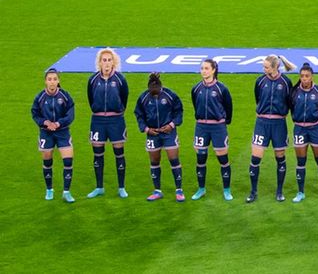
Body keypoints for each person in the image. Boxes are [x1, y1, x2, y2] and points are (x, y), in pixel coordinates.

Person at [247, 54, 295, 203]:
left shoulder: (286, 82)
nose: (263, 69)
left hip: (279, 124)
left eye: (266, 67)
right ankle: (253, 192)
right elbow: (258, 99)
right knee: (255, 158)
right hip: (261, 124)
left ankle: (279, 192)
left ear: (275, 67)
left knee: (280, 157)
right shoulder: (260, 81)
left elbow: (290, 102)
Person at [134, 72, 185, 202]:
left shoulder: (170, 95)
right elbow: (139, 115)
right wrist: (146, 129)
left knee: (174, 159)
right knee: (154, 161)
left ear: (160, 87)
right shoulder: (143, 98)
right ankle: (157, 191)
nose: (154, 94)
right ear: (149, 88)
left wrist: (172, 125)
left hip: (169, 133)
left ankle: (179, 190)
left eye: (156, 92)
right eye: (152, 92)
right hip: (152, 134)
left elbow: (179, 111)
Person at [86, 47, 129, 199]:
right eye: (104, 60)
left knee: (119, 153)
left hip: (116, 120)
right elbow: (90, 98)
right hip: (97, 121)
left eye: (109, 60)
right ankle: (99, 187)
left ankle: (121, 187)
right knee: (98, 154)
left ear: (114, 62)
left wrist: (117, 110)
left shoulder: (120, 79)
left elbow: (124, 98)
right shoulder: (92, 79)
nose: (107, 63)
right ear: (99, 62)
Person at [190, 58, 234, 201]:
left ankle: (227, 190)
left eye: (206, 68)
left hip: (218, 128)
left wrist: (223, 122)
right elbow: (195, 105)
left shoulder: (222, 89)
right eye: (202, 68)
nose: (203, 71)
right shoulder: (196, 88)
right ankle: (201, 189)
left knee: (223, 159)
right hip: (201, 127)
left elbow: (229, 107)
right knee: (201, 158)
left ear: (214, 70)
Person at [289, 63, 318, 203]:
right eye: (302, 76)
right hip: (299, 129)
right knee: (301, 161)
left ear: (312, 76)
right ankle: (300, 192)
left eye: (307, 76)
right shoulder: (294, 92)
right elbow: (291, 109)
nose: (304, 79)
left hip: (315, 129)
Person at [33, 68, 76, 202]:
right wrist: (45, 122)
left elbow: (70, 114)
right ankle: (49, 189)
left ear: (58, 81)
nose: (52, 82)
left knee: (68, 160)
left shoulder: (65, 96)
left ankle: (66, 192)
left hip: (62, 131)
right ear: (45, 81)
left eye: (55, 79)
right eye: (49, 79)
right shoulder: (40, 97)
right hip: (46, 133)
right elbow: (35, 114)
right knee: (47, 160)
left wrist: (58, 123)